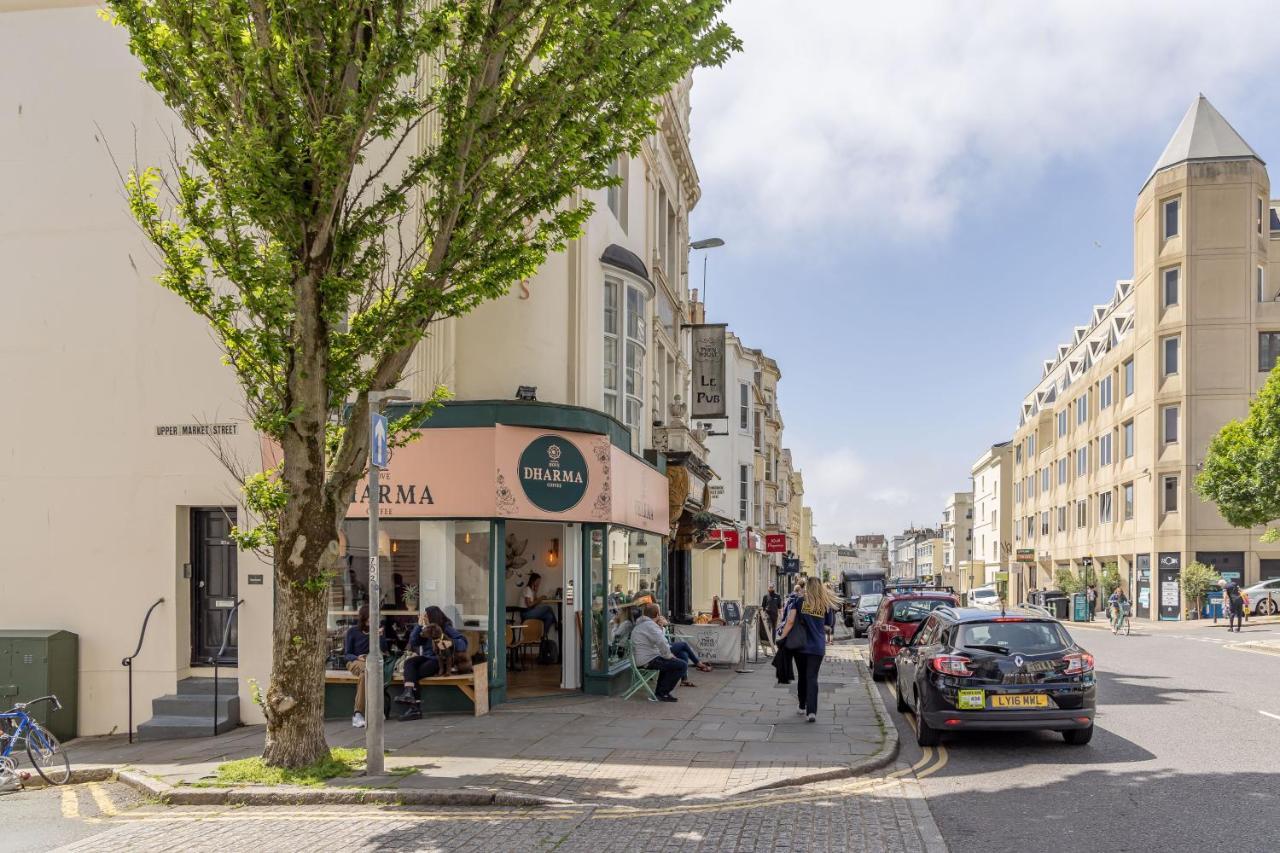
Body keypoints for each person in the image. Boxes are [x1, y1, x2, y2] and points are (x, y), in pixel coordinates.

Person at [778, 577, 837, 722]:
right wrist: (819, 626)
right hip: (817, 647)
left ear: (807, 587)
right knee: (812, 677)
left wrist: (781, 638)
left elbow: (790, 621)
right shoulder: (825, 604)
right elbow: (829, 626)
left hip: (801, 646)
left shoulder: (799, 601)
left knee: (802, 676)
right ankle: (812, 712)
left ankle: (802, 705)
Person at [395, 606, 469, 720]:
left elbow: (463, 642)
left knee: (416, 672)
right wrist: (419, 626)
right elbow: (413, 641)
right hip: (426, 657)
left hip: (439, 661)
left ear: (433, 617)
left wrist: (450, 642)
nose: (424, 618)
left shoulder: (445, 627)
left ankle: (414, 708)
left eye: (426, 616)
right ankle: (408, 693)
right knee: (409, 662)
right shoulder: (425, 629)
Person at [342, 604, 389, 729]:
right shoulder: (352, 632)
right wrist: (357, 657)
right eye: (369, 618)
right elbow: (346, 654)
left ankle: (358, 714)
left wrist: (379, 637)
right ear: (363, 618)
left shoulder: (377, 630)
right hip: (356, 661)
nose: (372, 621)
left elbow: (384, 649)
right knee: (369, 672)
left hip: (372, 662)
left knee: (366, 675)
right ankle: (370, 712)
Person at [631, 602, 685, 702]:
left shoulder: (643, 624)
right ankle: (662, 693)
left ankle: (660, 693)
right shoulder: (650, 625)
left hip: (645, 658)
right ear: (657, 614)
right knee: (681, 665)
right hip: (647, 661)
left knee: (669, 664)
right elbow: (662, 641)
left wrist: (660, 627)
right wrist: (668, 655)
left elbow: (659, 639)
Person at [773, 580, 804, 685]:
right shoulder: (799, 601)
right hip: (799, 635)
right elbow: (791, 620)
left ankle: (785, 676)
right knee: (803, 671)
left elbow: (788, 619)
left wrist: (782, 637)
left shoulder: (790, 600)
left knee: (786, 655)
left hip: (790, 633)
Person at [521, 572, 559, 637]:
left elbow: (534, 604)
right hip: (526, 613)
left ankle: (544, 635)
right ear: (533, 581)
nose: (539, 583)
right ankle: (556, 623)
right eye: (538, 581)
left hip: (530, 612)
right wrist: (540, 598)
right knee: (548, 608)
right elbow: (529, 605)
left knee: (549, 616)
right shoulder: (527, 589)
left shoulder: (531, 590)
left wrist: (535, 592)